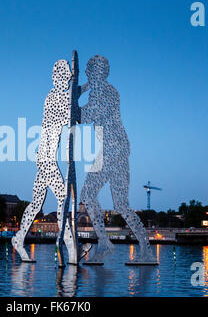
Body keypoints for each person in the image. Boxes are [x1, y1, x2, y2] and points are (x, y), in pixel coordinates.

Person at [79, 55, 154, 263]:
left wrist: (72, 102)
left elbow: (87, 115)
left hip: (112, 151)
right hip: (116, 150)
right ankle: (145, 251)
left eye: (88, 71)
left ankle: (105, 243)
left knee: (88, 193)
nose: (85, 74)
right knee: (121, 205)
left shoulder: (105, 92)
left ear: (97, 73)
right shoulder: (104, 90)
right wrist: (82, 89)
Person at [12, 60, 77, 265]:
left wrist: (79, 86)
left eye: (67, 79)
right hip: (46, 159)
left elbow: (72, 104)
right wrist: (80, 88)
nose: (65, 82)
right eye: (63, 78)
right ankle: (70, 247)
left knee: (36, 202)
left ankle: (19, 238)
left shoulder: (62, 95)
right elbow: (72, 115)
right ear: (55, 78)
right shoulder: (54, 98)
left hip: (44, 158)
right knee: (63, 199)